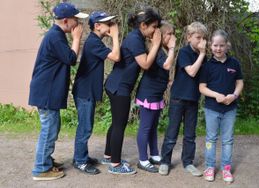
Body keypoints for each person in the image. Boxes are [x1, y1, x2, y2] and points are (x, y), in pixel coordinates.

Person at [29, 2, 88, 181]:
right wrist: (77, 39)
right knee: (49, 129)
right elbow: (71, 59)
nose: (77, 24)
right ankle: (41, 169)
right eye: (75, 20)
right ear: (65, 20)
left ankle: (45, 160)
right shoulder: (55, 37)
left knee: (52, 128)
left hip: (46, 92)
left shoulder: (57, 35)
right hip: (46, 93)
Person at [102, 7, 162, 175]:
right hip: (119, 87)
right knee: (120, 125)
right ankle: (115, 164)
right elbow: (145, 64)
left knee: (116, 123)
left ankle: (108, 155)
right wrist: (156, 44)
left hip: (116, 85)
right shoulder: (135, 39)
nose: (156, 30)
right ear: (143, 25)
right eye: (154, 27)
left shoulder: (137, 38)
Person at [72, 11, 120, 175]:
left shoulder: (95, 41)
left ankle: (81, 156)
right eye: (108, 23)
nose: (111, 26)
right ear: (97, 25)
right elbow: (116, 56)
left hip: (86, 90)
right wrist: (115, 36)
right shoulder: (93, 42)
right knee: (85, 128)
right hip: (85, 91)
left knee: (86, 126)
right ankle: (80, 161)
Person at [159, 22, 207, 176]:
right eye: (198, 37)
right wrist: (202, 54)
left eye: (203, 38)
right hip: (178, 98)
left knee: (190, 135)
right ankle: (165, 161)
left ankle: (188, 162)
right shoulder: (184, 52)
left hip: (193, 99)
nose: (201, 41)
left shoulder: (203, 55)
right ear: (189, 38)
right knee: (172, 132)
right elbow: (192, 72)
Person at [199, 29, 244, 183]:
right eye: (215, 45)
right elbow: (202, 87)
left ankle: (226, 168)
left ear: (227, 46)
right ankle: (210, 167)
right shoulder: (207, 65)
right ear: (211, 46)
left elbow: (239, 82)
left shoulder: (234, 63)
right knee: (211, 138)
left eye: (222, 45)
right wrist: (216, 95)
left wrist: (234, 95)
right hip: (211, 108)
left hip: (230, 109)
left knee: (228, 140)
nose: (218, 49)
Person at [135, 21, 176, 173]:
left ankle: (154, 154)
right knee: (145, 127)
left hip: (157, 94)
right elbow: (166, 65)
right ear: (158, 35)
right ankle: (142, 159)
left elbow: (164, 70)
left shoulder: (163, 50)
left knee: (153, 127)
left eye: (173, 34)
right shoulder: (157, 49)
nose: (172, 37)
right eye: (169, 34)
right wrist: (172, 48)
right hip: (148, 94)